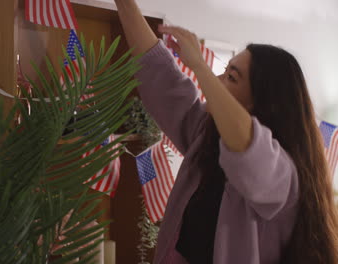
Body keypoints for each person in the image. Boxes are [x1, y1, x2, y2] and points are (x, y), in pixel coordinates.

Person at [114, 0, 338, 263]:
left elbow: (249, 146)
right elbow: (160, 75)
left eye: (231, 77)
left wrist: (200, 66)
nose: (217, 81)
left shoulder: (280, 174)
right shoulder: (206, 137)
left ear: (261, 103)